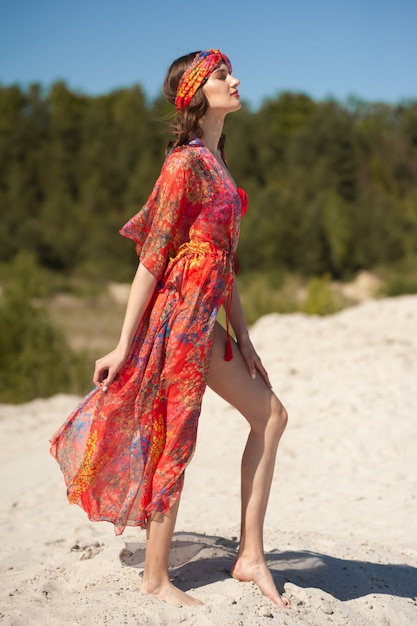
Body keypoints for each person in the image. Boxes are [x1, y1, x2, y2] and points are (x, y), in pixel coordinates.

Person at [50, 49, 289, 609]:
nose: (235, 81)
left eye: (230, 73)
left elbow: (223, 260)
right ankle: (156, 578)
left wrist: (245, 339)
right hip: (181, 318)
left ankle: (250, 556)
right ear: (197, 92)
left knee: (271, 417)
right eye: (223, 76)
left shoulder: (216, 159)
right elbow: (152, 259)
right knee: (174, 437)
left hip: (208, 316)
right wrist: (122, 343)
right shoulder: (184, 164)